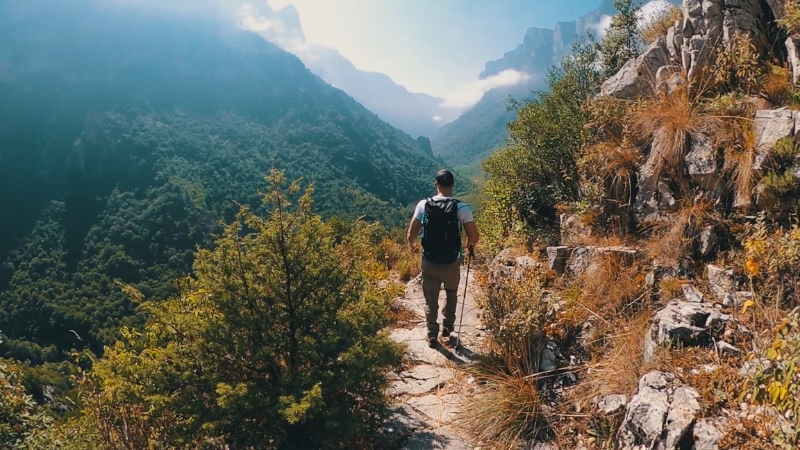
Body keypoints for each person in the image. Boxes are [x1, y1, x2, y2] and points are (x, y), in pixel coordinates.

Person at [407, 169, 479, 348]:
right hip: (451, 261)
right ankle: (448, 327)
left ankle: (432, 335)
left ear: (436, 184)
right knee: (451, 292)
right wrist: (470, 245)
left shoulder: (424, 205)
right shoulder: (462, 208)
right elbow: (474, 236)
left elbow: (412, 233)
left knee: (430, 296)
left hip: (429, 260)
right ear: (453, 185)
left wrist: (414, 247)